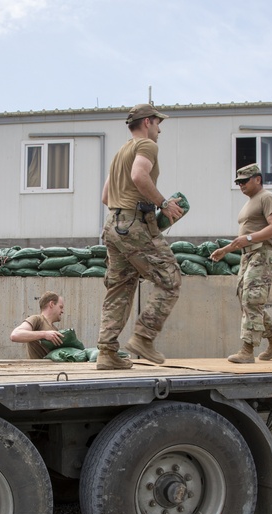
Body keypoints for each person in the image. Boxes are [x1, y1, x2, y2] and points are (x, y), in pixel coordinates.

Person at [95, 103, 185, 371]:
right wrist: (163, 203)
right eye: (158, 124)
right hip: (133, 224)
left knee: (119, 288)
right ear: (147, 122)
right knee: (170, 279)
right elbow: (139, 175)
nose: (160, 130)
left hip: (113, 224)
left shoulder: (119, 152)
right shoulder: (146, 146)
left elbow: (105, 197)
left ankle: (106, 352)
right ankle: (144, 337)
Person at [210, 163, 272, 364]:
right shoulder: (250, 202)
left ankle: (247, 349)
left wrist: (251, 239)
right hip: (247, 256)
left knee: (252, 299)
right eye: (238, 182)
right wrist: (225, 250)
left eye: (244, 181)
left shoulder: (267, 198)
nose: (241, 185)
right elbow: (244, 237)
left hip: (261, 254)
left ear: (258, 179)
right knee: (246, 299)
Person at [10, 291, 65, 359]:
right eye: (61, 307)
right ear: (52, 304)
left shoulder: (55, 329)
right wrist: (44, 334)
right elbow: (15, 335)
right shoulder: (37, 319)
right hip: (37, 368)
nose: (62, 311)